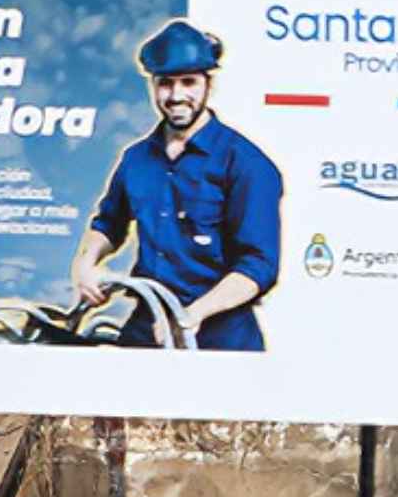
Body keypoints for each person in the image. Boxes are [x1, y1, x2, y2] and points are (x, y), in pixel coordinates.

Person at [72, 19, 284, 351]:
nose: (176, 95)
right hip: (147, 331)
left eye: (189, 82)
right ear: (153, 86)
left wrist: (190, 316)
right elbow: (108, 224)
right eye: (165, 84)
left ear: (208, 85)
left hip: (220, 340)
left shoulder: (247, 164)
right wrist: (85, 264)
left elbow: (259, 265)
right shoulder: (136, 159)